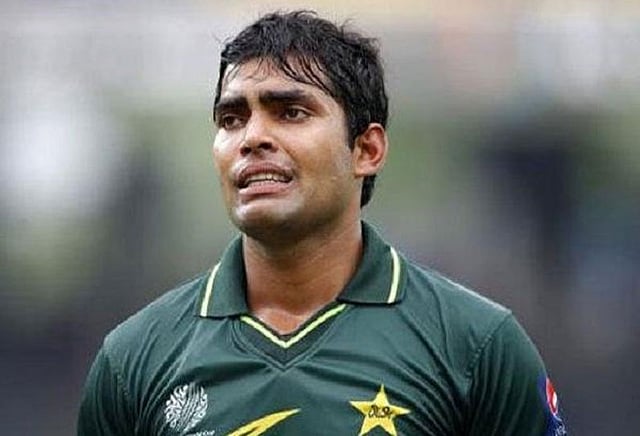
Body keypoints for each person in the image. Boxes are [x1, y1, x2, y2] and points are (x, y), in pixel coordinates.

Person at [77, 10, 567, 436]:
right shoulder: (134, 360)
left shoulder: (477, 347)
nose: (252, 137)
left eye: (290, 112)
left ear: (366, 150)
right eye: (231, 119)